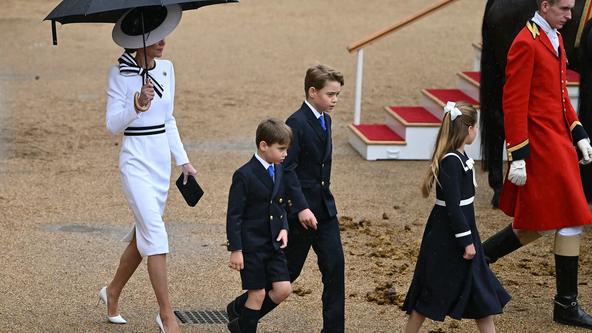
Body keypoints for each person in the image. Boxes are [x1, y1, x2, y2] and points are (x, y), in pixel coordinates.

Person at [481, 0, 592, 328]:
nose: (571, 17)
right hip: (540, 146)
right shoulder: (525, 43)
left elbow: (559, 96)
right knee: (571, 218)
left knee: (538, 223)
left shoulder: (555, 37)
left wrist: (580, 132)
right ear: (544, 6)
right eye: (564, 9)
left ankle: (480, 259)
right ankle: (566, 304)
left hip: (558, 140)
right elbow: (513, 104)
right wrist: (516, 156)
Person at [226, 64, 345, 332]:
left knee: (336, 268)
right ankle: (241, 312)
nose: (335, 100)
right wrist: (301, 208)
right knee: (287, 275)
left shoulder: (327, 119)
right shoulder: (296, 123)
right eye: (331, 94)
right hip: (299, 214)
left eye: (338, 95)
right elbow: (287, 169)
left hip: (325, 210)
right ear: (313, 92)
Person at [98, 5, 195, 333]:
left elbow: (169, 120)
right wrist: (136, 105)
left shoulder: (167, 68)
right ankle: (166, 316)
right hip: (134, 160)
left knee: (144, 236)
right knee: (156, 234)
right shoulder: (119, 74)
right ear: (137, 39)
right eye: (154, 35)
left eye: (163, 32)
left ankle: (111, 291)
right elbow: (112, 125)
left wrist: (182, 159)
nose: (162, 40)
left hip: (159, 163)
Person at [402, 101, 510, 333]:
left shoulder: (459, 157)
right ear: (469, 129)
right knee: (428, 294)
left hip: (462, 234)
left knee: (481, 296)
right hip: (448, 238)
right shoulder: (451, 160)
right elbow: (453, 207)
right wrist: (467, 241)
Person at [225, 118, 293, 333]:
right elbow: (234, 215)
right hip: (252, 246)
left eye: (286, 149)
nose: (285, 154)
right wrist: (236, 249)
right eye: (281, 149)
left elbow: (280, 203)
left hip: (273, 244)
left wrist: (284, 227)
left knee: (283, 289)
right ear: (264, 146)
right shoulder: (244, 175)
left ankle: (240, 323)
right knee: (258, 294)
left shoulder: (278, 169)